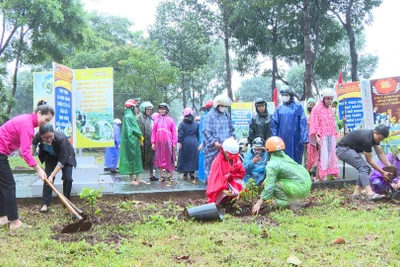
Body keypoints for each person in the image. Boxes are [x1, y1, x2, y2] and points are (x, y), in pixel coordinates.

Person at [0, 103, 54, 229]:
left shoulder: (26, 120)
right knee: (9, 185)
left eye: (48, 121)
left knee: (2, 185)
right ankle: (14, 222)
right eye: (46, 119)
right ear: (39, 113)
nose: (45, 123)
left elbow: (18, 143)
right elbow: (25, 152)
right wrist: (39, 169)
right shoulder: (28, 125)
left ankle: (2, 218)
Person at [252, 136, 312, 215]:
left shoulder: (272, 164)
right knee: (269, 181)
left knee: (270, 184)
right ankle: (293, 201)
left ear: (267, 150)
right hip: (306, 185)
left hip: (298, 189)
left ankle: (287, 204)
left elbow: (270, 187)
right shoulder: (285, 158)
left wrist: (258, 203)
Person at [336, 124, 392, 200]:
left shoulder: (374, 138)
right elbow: (370, 161)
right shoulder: (367, 139)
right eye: (380, 138)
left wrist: (391, 168)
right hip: (343, 149)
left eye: (382, 139)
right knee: (364, 167)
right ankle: (370, 193)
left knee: (366, 169)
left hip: (347, 149)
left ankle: (356, 193)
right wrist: (383, 172)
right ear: (375, 132)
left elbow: (380, 154)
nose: (380, 141)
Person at [31, 124, 76, 213]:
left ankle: (66, 202)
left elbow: (62, 161)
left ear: (53, 133)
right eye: (45, 138)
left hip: (66, 156)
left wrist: (52, 175)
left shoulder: (61, 138)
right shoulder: (37, 136)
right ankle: (45, 204)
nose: (48, 139)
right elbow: (33, 147)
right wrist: (30, 157)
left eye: (50, 136)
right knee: (46, 178)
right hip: (50, 155)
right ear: (41, 136)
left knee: (67, 178)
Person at [270, 86, 309, 164]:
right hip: (282, 138)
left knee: (296, 158)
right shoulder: (279, 109)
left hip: (295, 138)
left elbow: (303, 123)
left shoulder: (298, 107)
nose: (284, 97)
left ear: (291, 96)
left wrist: (304, 138)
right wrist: (274, 138)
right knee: (282, 158)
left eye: (286, 95)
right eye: (283, 95)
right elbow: (274, 125)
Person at [307, 89, 339, 181]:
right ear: (323, 98)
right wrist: (317, 136)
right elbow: (315, 123)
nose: (329, 101)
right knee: (321, 159)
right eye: (327, 99)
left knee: (330, 158)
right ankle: (319, 178)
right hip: (321, 137)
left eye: (330, 99)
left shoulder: (330, 110)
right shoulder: (316, 109)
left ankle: (327, 177)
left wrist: (334, 136)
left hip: (330, 137)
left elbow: (332, 124)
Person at [202, 95, 235, 180]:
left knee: (224, 167)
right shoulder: (209, 116)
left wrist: (232, 136)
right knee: (211, 167)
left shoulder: (226, 115)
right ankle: (210, 185)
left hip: (224, 148)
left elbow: (231, 128)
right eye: (221, 106)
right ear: (217, 105)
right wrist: (214, 142)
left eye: (224, 106)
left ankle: (222, 185)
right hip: (212, 149)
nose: (223, 108)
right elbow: (206, 131)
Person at [206, 138, 245, 205]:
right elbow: (215, 182)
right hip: (222, 188)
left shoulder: (236, 158)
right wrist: (223, 190)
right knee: (221, 196)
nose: (232, 158)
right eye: (230, 155)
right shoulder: (218, 163)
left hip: (232, 182)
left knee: (242, 185)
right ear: (224, 151)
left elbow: (241, 172)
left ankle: (233, 202)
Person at [119, 99, 145, 185]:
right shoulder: (128, 117)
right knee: (130, 159)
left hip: (134, 141)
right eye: (136, 107)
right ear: (132, 108)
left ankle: (138, 178)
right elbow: (132, 129)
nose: (137, 109)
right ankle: (131, 179)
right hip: (130, 142)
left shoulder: (131, 116)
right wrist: (139, 135)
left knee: (136, 159)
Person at [151, 103, 177, 183]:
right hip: (159, 142)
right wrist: (153, 142)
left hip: (168, 143)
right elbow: (153, 132)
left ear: (166, 110)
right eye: (160, 109)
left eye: (163, 109)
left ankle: (170, 176)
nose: (162, 110)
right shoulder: (156, 120)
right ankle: (162, 176)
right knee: (159, 159)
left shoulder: (170, 120)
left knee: (170, 159)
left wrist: (174, 143)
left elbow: (174, 132)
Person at [176, 107, 199, 181]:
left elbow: (180, 134)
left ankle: (185, 171)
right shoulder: (196, 124)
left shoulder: (182, 124)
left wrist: (180, 142)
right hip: (194, 141)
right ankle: (192, 171)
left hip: (185, 141)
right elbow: (198, 134)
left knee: (184, 156)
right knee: (193, 157)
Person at [137, 101, 157, 181]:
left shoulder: (150, 118)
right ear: (143, 109)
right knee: (140, 158)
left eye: (150, 109)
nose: (149, 111)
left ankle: (151, 175)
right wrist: (139, 140)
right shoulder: (138, 118)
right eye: (147, 109)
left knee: (151, 158)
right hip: (141, 142)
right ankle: (137, 177)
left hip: (150, 142)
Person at [197, 100, 213, 181]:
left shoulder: (205, 117)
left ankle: (207, 178)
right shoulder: (207, 117)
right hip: (208, 142)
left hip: (205, 142)